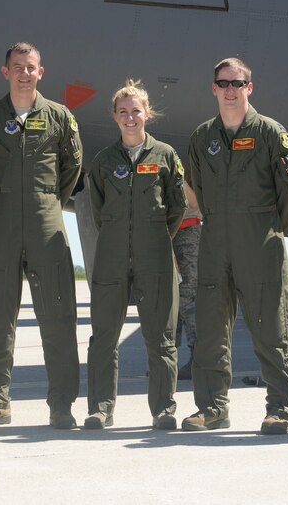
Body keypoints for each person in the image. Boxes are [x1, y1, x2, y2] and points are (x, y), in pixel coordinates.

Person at [182, 57, 288, 434]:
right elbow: (197, 188)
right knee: (211, 330)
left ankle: (280, 407)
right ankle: (212, 407)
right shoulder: (202, 138)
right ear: (213, 88)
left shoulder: (269, 132)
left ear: (250, 87)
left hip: (260, 242)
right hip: (215, 242)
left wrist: (269, 228)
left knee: (271, 329)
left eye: (238, 83)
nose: (231, 90)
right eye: (224, 83)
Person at [0, 42, 83, 429]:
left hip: (45, 221)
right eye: (17, 67)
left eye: (30, 67)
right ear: (5, 72)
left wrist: (44, 202)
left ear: (40, 72)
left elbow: (72, 167)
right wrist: (3, 202)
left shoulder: (59, 117)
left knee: (58, 314)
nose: (23, 73)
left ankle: (62, 404)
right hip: (0, 222)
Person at [85, 79, 188, 430]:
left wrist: (154, 238)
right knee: (103, 338)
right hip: (111, 258)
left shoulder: (166, 156)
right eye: (123, 112)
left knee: (161, 338)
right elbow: (98, 210)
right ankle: (100, 408)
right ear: (115, 116)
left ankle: (163, 409)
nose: (131, 118)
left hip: (155, 257)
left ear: (148, 114)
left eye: (136, 111)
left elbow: (177, 208)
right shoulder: (103, 162)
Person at [173, 179, 201, 380]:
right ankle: (168, 361)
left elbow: (194, 204)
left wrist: (178, 178)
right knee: (168, 302)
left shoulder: (181, 171)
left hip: (187, 233)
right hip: (164, 235)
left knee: (188, 300)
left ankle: (197, 360)